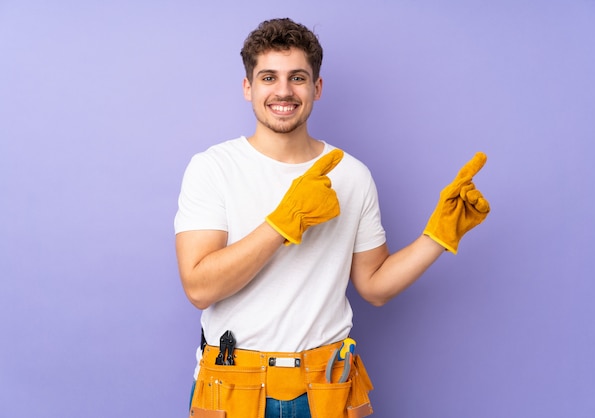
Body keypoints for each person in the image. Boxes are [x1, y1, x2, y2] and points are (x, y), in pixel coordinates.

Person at [174, 17, 490, 418]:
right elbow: (200, 288)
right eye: (269, 77)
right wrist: (281, 223)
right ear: (247, 87)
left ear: (317, 88)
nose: (284, 91)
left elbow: (374, 285)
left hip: (326, 385)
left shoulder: (350, 174)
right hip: (235, 385)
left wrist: (439, 236)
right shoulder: (213, 167)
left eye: (298, 78)